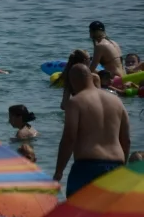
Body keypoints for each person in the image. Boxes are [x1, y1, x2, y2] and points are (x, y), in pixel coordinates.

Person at [53, 64, 130, 198]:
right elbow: (126, 139)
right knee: (108, 215)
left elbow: (69, 138)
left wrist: (59, 172)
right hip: (116, 165)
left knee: (80, 214)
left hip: (88, 167)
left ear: (72, 82)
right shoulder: (117, 101)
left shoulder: (76, 102)